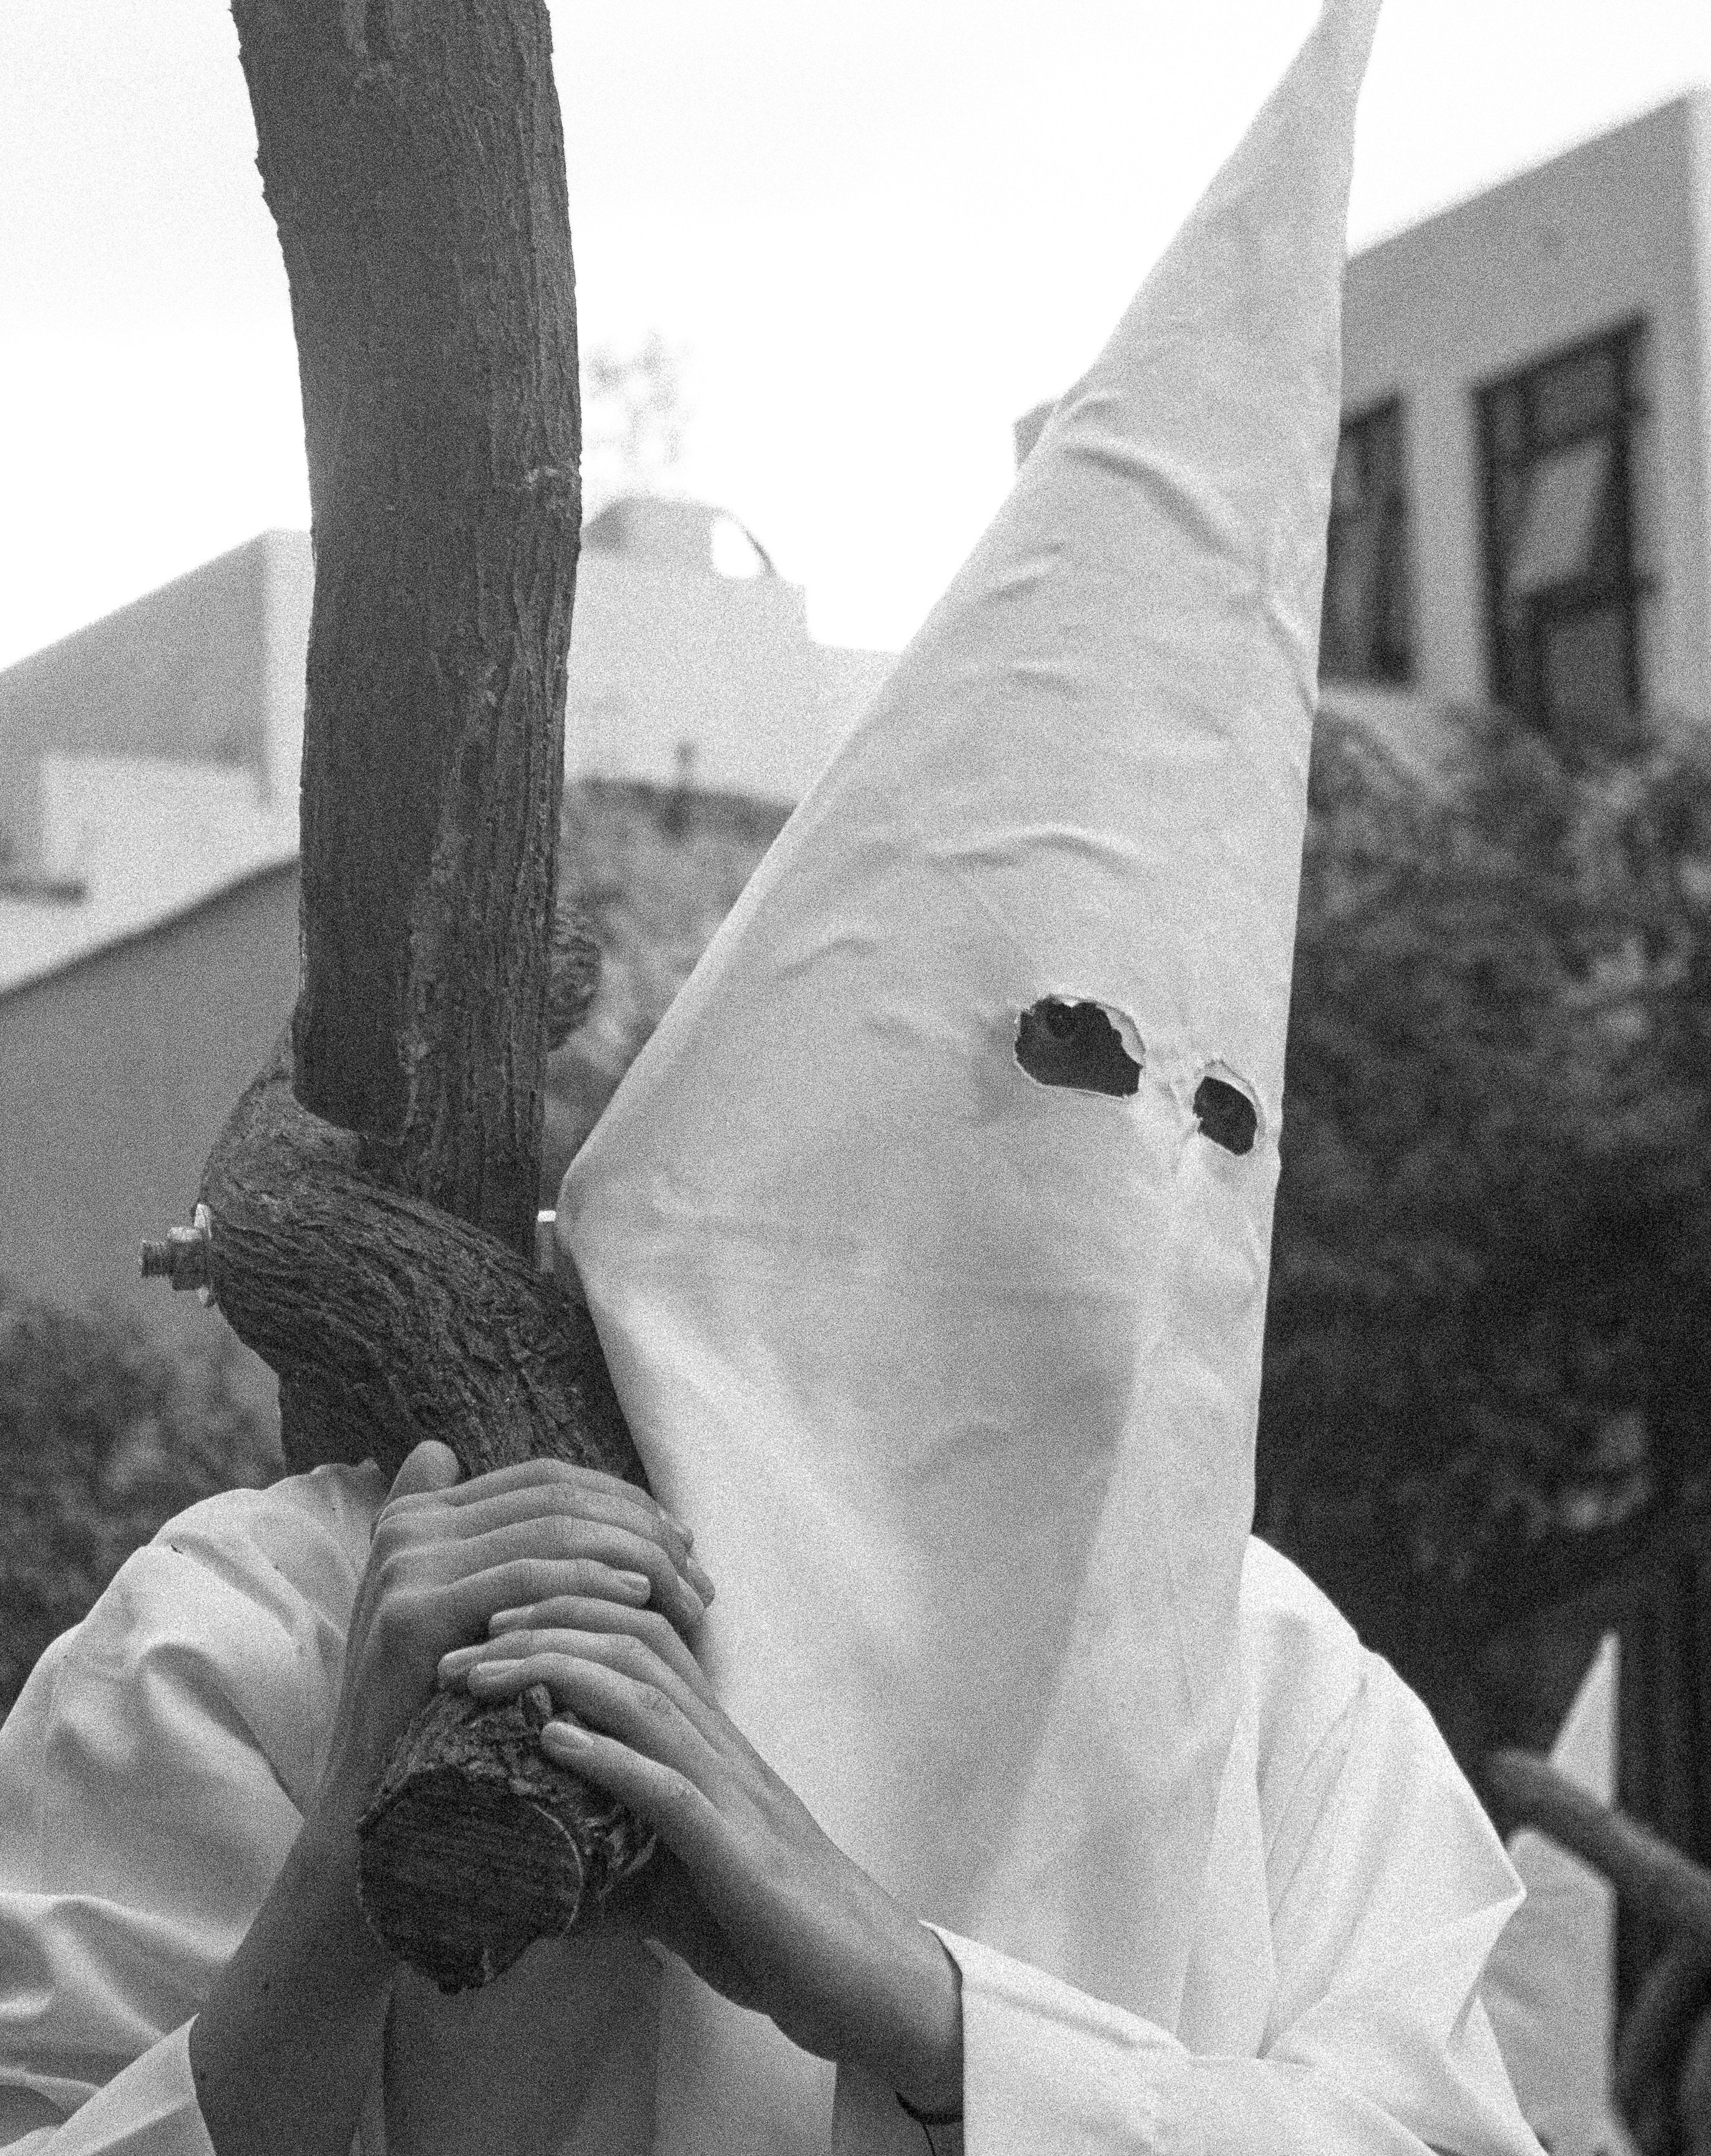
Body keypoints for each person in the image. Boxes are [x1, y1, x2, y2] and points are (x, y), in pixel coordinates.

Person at [1, 2, 1546, 2150]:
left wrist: (921, 2004)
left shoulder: (1279, 1699)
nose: (1124, 1181)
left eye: (1217, 1124)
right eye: (1058, 1066)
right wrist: (340, 1898)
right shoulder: (262, 1636)